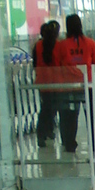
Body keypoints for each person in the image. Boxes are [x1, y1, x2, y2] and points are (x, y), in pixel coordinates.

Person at [51, 14, 95, 155]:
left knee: (69, 117)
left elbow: (56, 65)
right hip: (88, 85)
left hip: (69, 87)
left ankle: (69, 144)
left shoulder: (62, 45)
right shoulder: (90, 43)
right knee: (92, 116)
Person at [31, 20, 61, 151]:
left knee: (47, 106)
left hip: (42, 80)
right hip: (56, 81)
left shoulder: (38, 46)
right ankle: (44, 131)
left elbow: (35, 63)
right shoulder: (58, 45)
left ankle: (46, 131)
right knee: (51, 107)